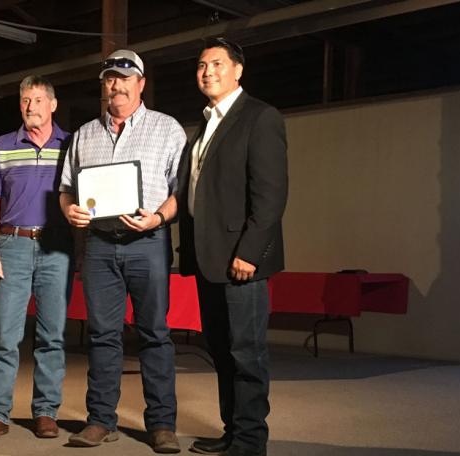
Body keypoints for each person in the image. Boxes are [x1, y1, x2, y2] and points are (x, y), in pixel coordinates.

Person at [59, 49, 186, 454]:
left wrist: (158, 218)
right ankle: (100, 420)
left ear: (141, 83)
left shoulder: (167, 129)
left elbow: (181, 192)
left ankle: (162, 425)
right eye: (110, 78)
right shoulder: (84, 134)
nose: (116, 85)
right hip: (99, 245)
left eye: (124, 78)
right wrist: (69, 211)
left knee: (155, 334)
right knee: (102, 336)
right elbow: (66, 190)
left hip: (148, 243)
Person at [176, 38, 288, 456]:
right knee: (222, 352)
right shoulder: (205, 124)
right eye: (201, 65)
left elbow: (271, 196)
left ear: (238, 70)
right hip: (209, 259)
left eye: (217, 64)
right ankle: (233, 432)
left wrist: (250, 252)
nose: (207, 71)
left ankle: (251, 441)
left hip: (242, 260)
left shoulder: (260, 117)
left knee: (247, 353)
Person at [0, 75, 73, 442]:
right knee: (4, 335)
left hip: (57, 248)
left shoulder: (71, 145)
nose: (31, 107)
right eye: (25, 101)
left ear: (53, 104)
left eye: (38, 100)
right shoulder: (3, 145)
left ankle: (46, 412)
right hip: (11, 246)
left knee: (52, 336)